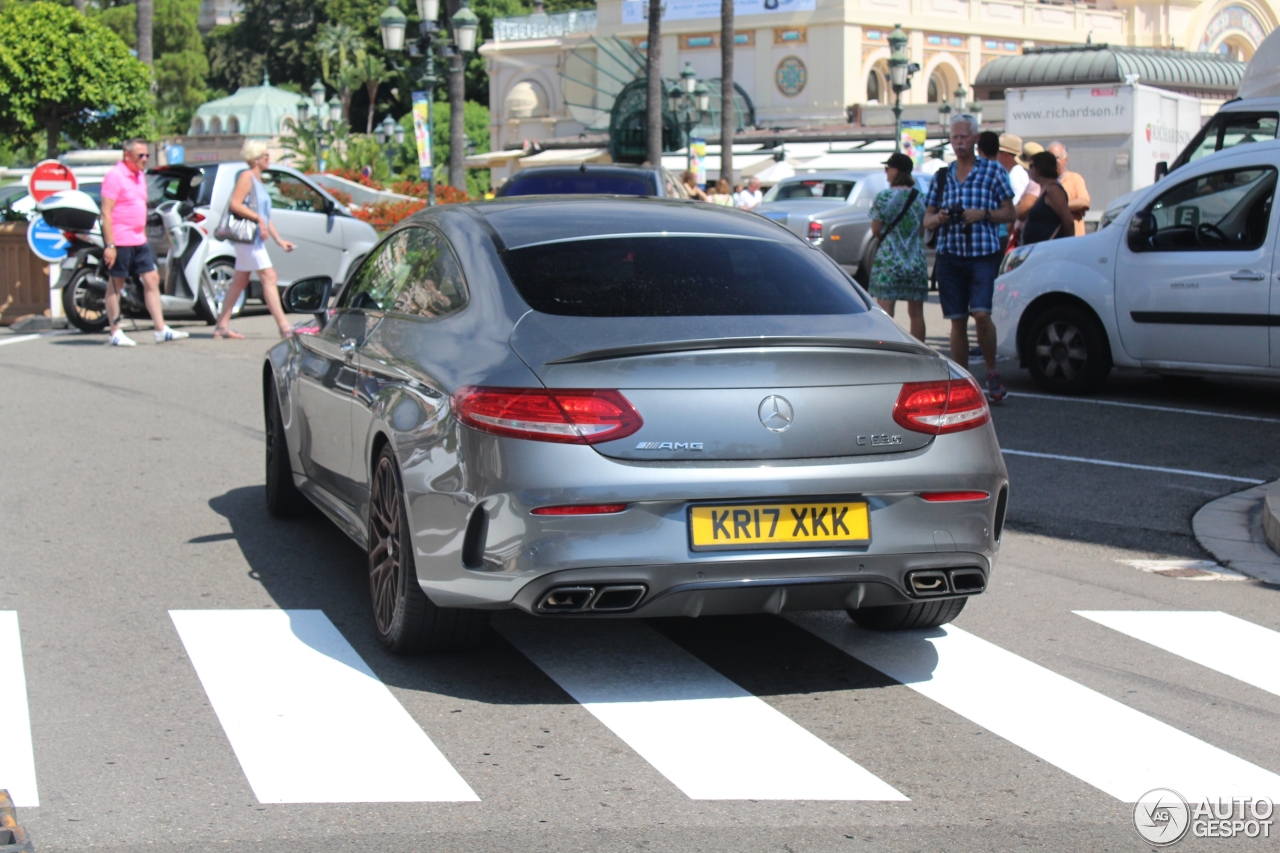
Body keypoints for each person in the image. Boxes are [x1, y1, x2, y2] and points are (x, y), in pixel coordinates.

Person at [923, 114, 1016, 402]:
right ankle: (963, 384)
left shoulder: (993, 171)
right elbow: (926, 220)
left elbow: (1010, 213)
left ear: (975, 139)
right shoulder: (942, 175)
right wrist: (939, 217)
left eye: (964, 137)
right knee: (957, 321)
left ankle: (991, 371)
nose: (959, 142)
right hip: (951, 255)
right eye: (955, 137)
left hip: (981, 254)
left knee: (982, 315)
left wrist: (983, 215)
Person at [99, 139, 189, 346]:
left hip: (139, 238)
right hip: (120, 239)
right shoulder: (115, 176)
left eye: (147, 155)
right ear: (127, 156)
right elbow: (106, 212)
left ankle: (160, 328)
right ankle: (115, 331)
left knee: (151, 279)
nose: (145, 159)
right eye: (141, 156)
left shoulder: (139, 176)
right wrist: (110, 245)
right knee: (116, 283)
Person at [211, 140, 296, 340]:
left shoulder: (258, 180)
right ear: (256, 159)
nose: (269, 159)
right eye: (266, 156)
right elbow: (235, 204)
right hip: (247, 239)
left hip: (253, 239)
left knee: (240, 281)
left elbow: (266, 216)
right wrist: (257, 219)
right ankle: (284, 327)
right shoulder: (247, 176)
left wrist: (279, 240)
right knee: (269, 277)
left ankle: (221, 326)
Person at [868, 152, 928, 342]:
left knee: (886, 311)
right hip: (915, 258)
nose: (886, 172)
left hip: (889, 259)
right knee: (917, 312)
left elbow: (876, 230)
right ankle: (921, 353)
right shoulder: (920, 198)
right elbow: (922, 230)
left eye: (887, 168)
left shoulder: (884, 197)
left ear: (895, 170)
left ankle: (888, 349)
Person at [1020, 151, 1075, 245]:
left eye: (1031, 166)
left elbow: (1068, 221)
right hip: (1038, 249)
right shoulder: (1044, 190)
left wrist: (1068, 246)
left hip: (1049, 250)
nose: (1029, 170)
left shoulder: (1053, 190)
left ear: (1040, 168)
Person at [1048, 142, 1090, 235]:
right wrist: (1071, 207)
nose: (1053, 161)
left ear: (1065, 160)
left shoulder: (1075, 179)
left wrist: (1056, 207)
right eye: (1050, 158)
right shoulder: (1044, 182)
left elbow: (1084, 202)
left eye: (1057, 158)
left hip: (1074, 239)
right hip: (1052, 239)